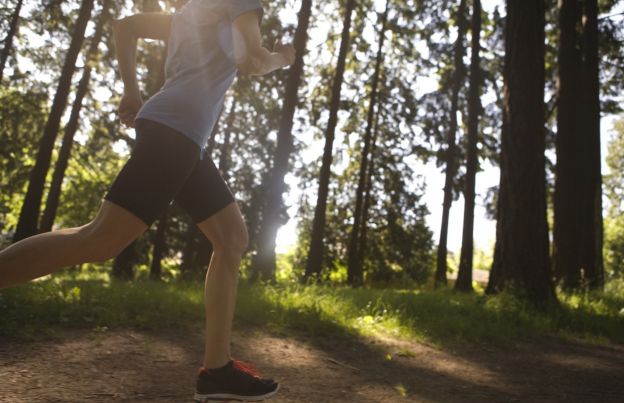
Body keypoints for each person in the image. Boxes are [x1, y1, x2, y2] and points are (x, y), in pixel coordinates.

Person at [0, 0, 295, 401]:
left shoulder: (192, 14)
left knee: (231, 239)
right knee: (100, 240)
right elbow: (252, 60)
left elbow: (127, 27)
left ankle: (217, 370)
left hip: (181, 135)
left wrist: (133, 93)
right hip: (176, 133)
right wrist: (283, 57)